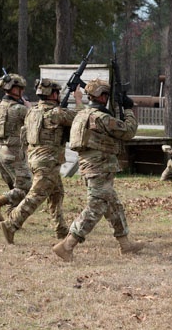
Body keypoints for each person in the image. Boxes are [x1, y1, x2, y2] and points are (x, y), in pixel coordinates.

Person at [53, 78, 144, 261]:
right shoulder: (101, 118)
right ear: (102, 97)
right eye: (107, 95)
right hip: (99, 168)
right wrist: (127, 109)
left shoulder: (81, 115)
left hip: (93, 166)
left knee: (113, 205)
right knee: (96, 207)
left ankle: (125, 244)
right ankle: (67, 245)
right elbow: (128, 131)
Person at [0, 79, 82, 244]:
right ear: (54, 94)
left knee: (57, 193)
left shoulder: (32, 111)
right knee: (36, 196)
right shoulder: (56, 113)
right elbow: (81, 119)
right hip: (47, 162)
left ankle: (60, 229)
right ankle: (11, 223)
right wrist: (78, 99)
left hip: (35, 159)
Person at [0, 73, 33, 225]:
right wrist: (30, 108)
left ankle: (11, 220)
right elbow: (36, 121)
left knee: (15, 187)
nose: (23, 92)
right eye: (21, 89)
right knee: (26, 187)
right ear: (14, 89)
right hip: (12, 153)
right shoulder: (18, 108)